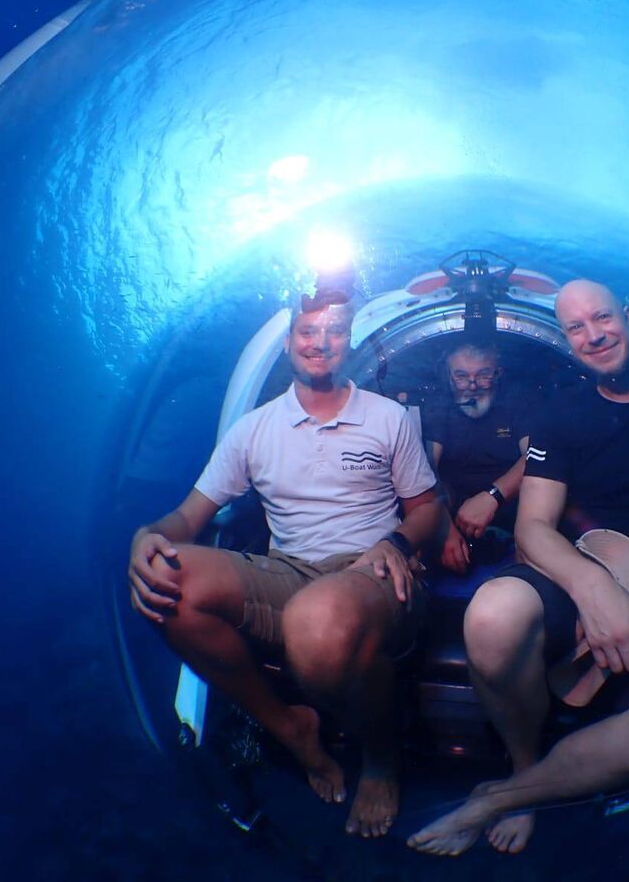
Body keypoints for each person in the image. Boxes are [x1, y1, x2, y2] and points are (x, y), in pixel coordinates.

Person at [408, 279, 629, 856]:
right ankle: (526, 761)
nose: (593, 335)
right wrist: (594, 588)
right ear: (568, 341)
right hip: (572, 573)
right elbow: (534, 526)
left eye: (601, 318)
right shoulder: (561, 414)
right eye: (575, 327)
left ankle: (506, 797)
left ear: (627, 316)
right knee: (491, 616)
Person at [127, 292, 443, 838]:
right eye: (307, 333)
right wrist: (146, 536)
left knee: (315, 621)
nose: (321, 343)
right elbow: (187, 517)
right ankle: (291, 727)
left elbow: (429, 512)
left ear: (349, 341)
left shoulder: (388, 417)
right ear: (289, 342)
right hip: (290, 571)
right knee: (168, 583)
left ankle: (381, 758)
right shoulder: (254, 429)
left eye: (335, 331)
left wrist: (396, 542)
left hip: (377, 573)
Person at [422, 340, 530, 574]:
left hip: (514, 511)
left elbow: (536, 458)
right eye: (461, 376)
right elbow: (425, 470)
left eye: (483, 376)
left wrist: (492, 497)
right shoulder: (440, 408)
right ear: (449, 378)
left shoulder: (517, 402)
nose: (471, 386)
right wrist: (444, 529)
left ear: (498, 374)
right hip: (452, 513)